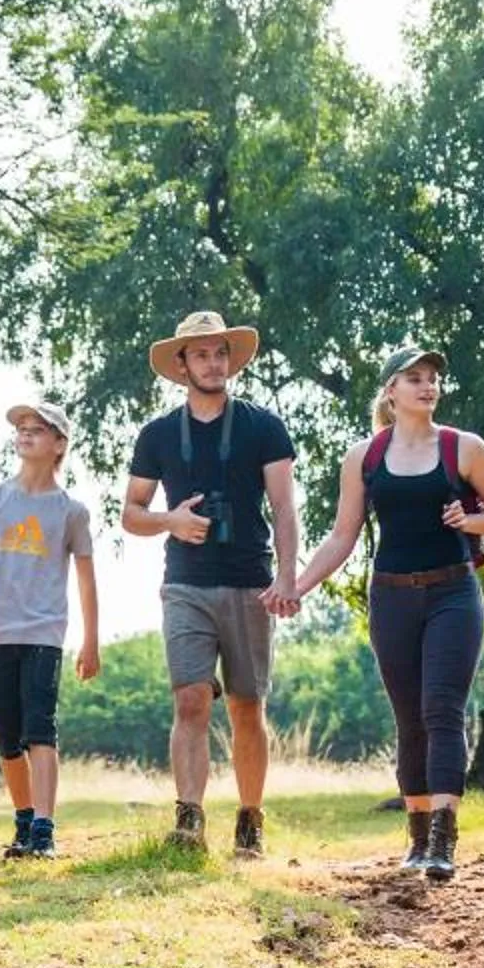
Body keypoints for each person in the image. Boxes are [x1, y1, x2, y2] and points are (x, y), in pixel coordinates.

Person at [292, 345, 484, 882]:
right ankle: (417, 834)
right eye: (414, 378)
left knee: (442, 709)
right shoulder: (365, 457)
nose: (428, 386)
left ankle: (444, 836)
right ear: (390, 391)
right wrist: (298, 586)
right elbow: (343, 536)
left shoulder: (464, 448)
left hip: (453, 594)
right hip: (391, 596)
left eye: (433, 378)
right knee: (409, 717)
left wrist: (471, 520)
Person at [123, 311, 301, 858]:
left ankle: (250, 819)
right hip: (185, 584)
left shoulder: (263, 425)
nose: (212, 362)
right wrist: (170, 521)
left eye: (220, 352)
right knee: (191, 699)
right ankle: (189, 819)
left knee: (247, 706)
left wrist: (288, 574)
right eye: (200, 354)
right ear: (181, 366)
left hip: (250, 581)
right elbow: (131, 513)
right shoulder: (156, 435)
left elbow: (284, 506)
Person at [0, 401, 101, 860]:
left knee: (40, 727)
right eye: (21, 428)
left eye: (38, 429)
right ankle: (23, 817)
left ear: (59, 444)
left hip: (43, 633)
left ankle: (44, 829)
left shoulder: (71, 510)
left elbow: (86, 577)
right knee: (5, 732)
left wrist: (90, 640)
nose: (26, 434)